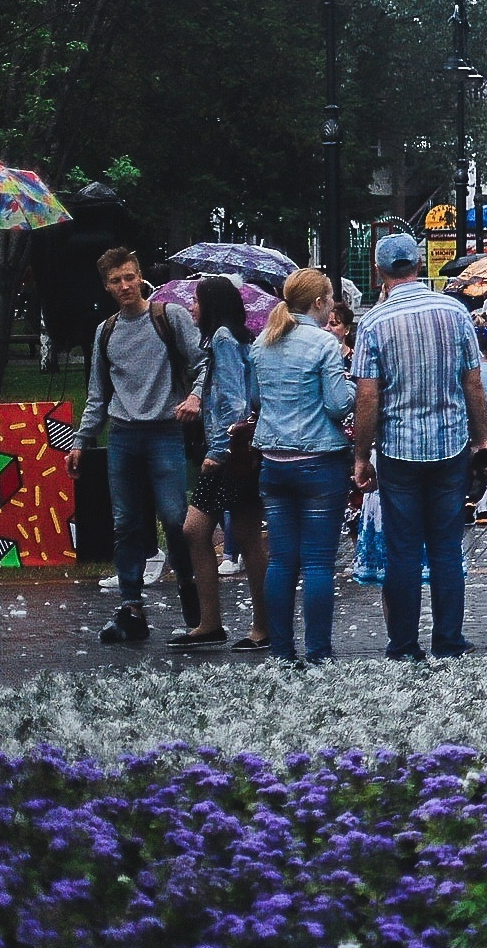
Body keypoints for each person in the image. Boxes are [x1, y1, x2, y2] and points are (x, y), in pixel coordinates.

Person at [350, 233, 487, 660]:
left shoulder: (374, 323)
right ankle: (448, 639)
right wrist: (481, 439)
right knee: (447, 546)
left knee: (404, 550)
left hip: (398, 449)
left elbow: (367, 396)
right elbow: (473, 382)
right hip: (450, 445)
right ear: (419, 264)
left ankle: (404, 644)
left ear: (379, 273)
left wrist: (361, 455)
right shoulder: (454, 312)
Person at [76, 246, 209, 645]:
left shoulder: (169, 317)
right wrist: (81, 441)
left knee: (173, 517)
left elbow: (204, 362)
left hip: (164, 431)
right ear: (107, 287)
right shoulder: (107, 331)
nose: (125, 285)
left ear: (140, 277)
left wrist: (196, 397)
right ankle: (132, 608)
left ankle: (189, 587)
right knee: (126, 523)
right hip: (123, 433)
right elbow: (97, 394)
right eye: (116, 280)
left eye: (130, 277)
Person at [251, 268, 357, 662]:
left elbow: (257, 400)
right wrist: (350, 384)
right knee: (316, 563)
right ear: (318, 303)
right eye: (330, 298)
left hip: (273, 463)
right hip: (318, 462)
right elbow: (337, 404)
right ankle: (318, 653)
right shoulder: (325, 345)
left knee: (280, 561)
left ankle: (281, 650)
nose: (333, 305)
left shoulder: (263, 341)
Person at [170, 276, 270, 651]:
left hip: (229, 454)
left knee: (235, 536)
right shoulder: (226, 339)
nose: (192, 308)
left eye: (196, 301)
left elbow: (235, 401)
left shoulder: (225, 339)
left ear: (211, 304)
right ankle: (212, 622)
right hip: (231, 451)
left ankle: (259, 625)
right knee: (211, 532)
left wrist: (217, 451)